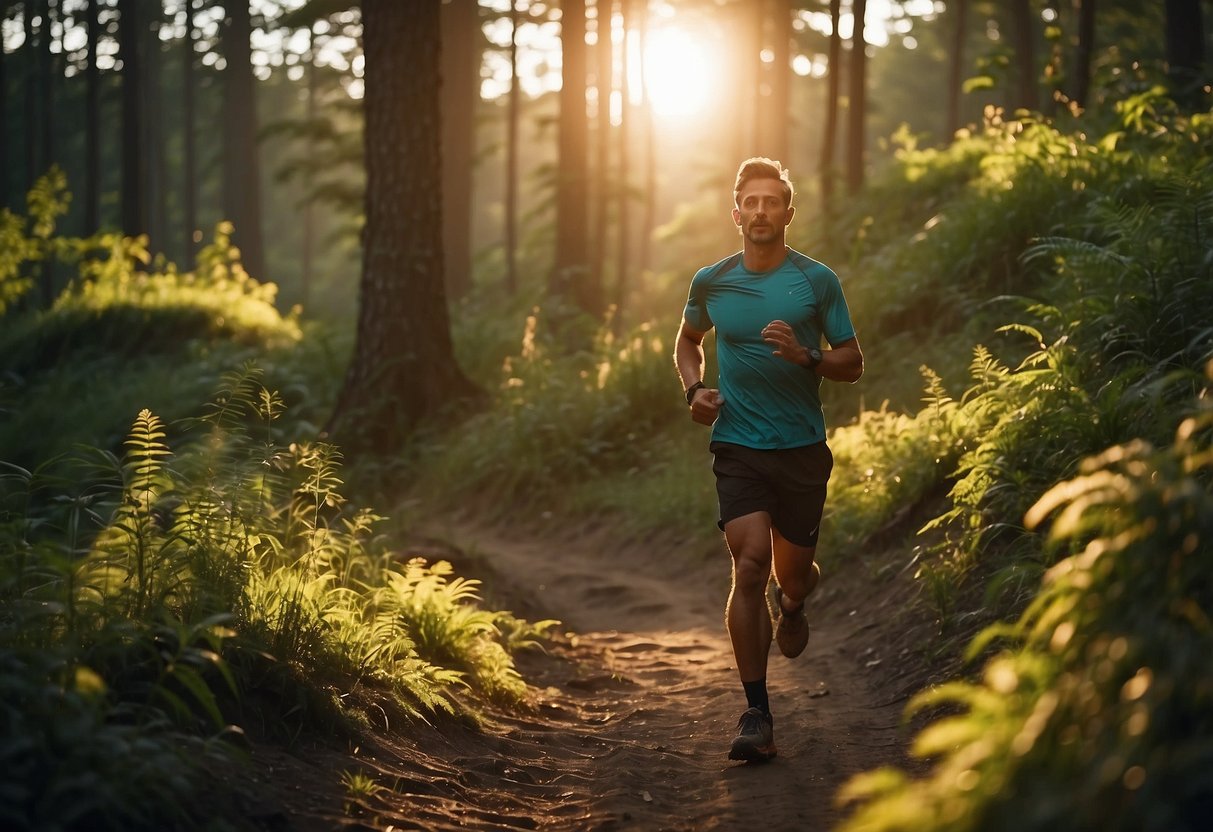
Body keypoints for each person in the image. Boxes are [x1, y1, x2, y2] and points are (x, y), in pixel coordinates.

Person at [673, 157, 863, 762]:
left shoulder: (817, 282)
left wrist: (807, 357)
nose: (760, 211)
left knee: (792, 575)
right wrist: (693, 389)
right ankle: (756, 712)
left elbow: (853, 362)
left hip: (802, 448)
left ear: (787, 211)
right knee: (749, 565)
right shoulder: (712, 281)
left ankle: (796, 603)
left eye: (770, 201)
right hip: (739, 445)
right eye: (749, 202)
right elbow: (687, 341)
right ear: (736, 213)